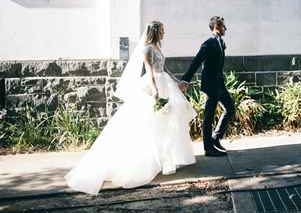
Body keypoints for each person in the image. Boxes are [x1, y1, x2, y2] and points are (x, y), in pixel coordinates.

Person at [65, 21, 196, 195]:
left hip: (165, 83)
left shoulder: (157, 48)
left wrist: (178, 82)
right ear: (156, 32)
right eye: (162, 30)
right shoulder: (147, 49)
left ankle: (163, 161)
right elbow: (149, 72)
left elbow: (164, 68)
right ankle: (146, 162)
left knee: (165, 124)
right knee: (150, 125)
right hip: (155, 85)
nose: (164, 33)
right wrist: (155, 91)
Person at [179, 16, 235, 157]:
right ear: (216, 26)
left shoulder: (220, 42)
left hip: (219, 83)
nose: (225, 28)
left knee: (230, 107)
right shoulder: (209, 43)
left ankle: (215, 138)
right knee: (209, 116)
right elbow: (196, 62)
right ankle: (208, 148)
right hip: (210, 84)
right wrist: (185, 79)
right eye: (223, 26)